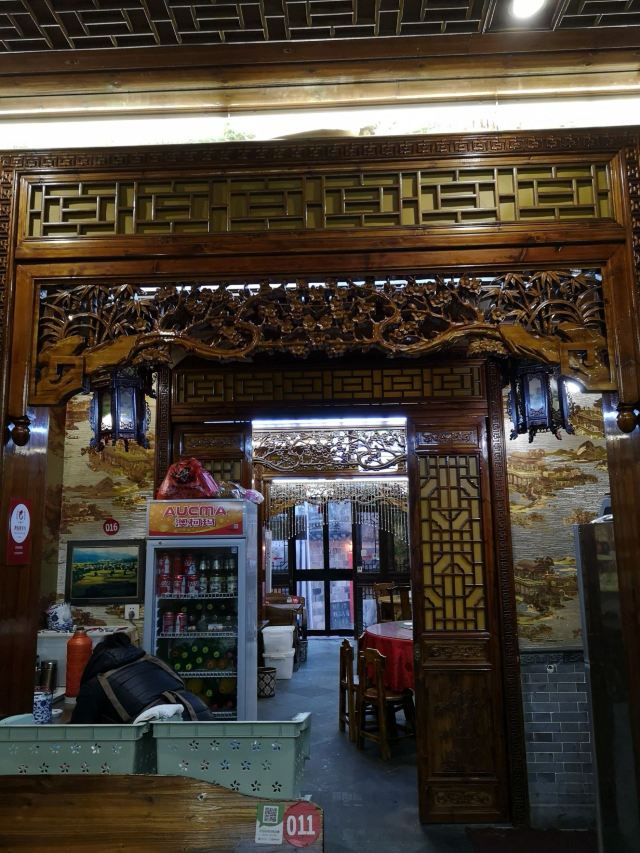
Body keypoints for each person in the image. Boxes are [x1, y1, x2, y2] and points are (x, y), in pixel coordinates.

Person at [70, 631, 215, 723]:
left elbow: (79, 730)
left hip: (166, 735)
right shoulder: (155, 662)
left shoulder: (97, 683)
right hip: (202, 720)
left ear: (95, 660)